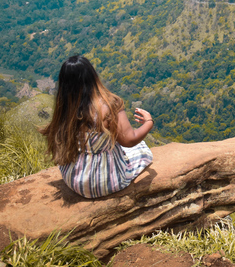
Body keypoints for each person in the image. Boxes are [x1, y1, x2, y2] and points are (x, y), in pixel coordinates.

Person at [40, 55, 154, 198]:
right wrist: (149, 122)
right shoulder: (110, 104)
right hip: (107, 181)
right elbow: (129, 140)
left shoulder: (65, 108)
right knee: (142, 149)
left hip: (75, 180)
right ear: (92, 75)